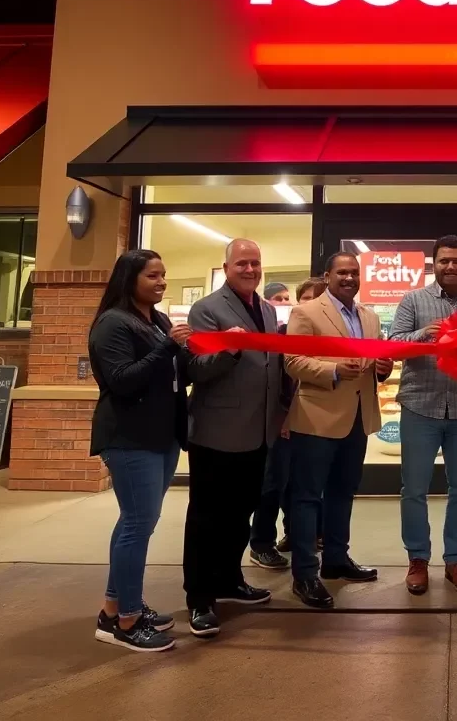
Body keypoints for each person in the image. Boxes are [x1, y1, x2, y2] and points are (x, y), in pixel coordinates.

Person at [89, 249, 190, 653]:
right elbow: (123, 380)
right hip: (129, 438)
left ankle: (113, 609)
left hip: (162, 435)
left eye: (164, 274)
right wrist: (167, 347)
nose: (162, 281)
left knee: (137, 524)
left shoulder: (157, 319)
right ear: (130, 278)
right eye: (153, 275)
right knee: (136, 525)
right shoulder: (112, 323)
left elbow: (178, 370)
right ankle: (127, 623)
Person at [183, 239, 283, 638]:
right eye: (242, 262)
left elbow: (271, 366)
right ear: (226, 267)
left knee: (241, 513)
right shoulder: (207, 309)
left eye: (256, 263)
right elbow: (197, 368)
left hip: (258, 432)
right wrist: (231, 349)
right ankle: (200, 597)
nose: (250, 269)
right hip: (216, 432)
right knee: (207, 517)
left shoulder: (270, 309)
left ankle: (229, 579)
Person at [284, 253, 393, 609]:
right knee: (306, 497)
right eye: (342, 272)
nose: (349, 277)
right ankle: (304, 574)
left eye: (354, 273)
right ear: (327, 276)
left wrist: (382, 368)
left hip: (358, 418)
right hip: (317, 418)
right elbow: (293, 361)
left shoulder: (370, 317)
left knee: (343, 492)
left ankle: (336, 558)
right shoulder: (306, 313)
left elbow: (374, 366)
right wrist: (332, 371)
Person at [390, 235, 457, 597]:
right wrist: (424, 334)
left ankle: (456, 561)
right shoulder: (413, 300)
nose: (450, 266)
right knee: (414, 490)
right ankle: (417, 559)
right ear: (433, 264)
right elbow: (394, 344)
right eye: (444, 260)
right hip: (420, 405)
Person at [249, 277, 326, 568]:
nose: (309, 304)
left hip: (315, 421)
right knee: (273, 483)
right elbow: (276, 381)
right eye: (304, 298)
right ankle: (261, 543)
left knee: (304, 485)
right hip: (282, 421)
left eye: (317, 299)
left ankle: (297, 535)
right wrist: (283, 416)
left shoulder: (330, 338)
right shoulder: (282, 334)